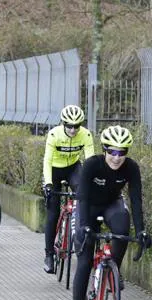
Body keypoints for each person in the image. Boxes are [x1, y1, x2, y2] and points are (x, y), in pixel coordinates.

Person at [68, 125, 152, 300]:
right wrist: (84, 226)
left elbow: (135, 199)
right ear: (104, 149)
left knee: (123, 230)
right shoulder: (92, 165)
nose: (116, 157)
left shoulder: (131, 168)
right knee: (85, 261)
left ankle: (113, 267)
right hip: (88, 206)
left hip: (112, 204)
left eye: (122, 152)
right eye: (112, 151)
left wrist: (141, 230)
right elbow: (83, 198)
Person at [42, 105, 94, 274]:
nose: (73, 130)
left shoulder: (85, 135)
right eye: (69, 126)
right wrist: (48, 184)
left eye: (76, 126)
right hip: (55, 170)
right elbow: (47, 161)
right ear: (63, 123)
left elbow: (90, 162)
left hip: (73, 168)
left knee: (84, 197)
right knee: (52, 213)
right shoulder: (54, 134)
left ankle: (80, 236)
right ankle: (49, 255)